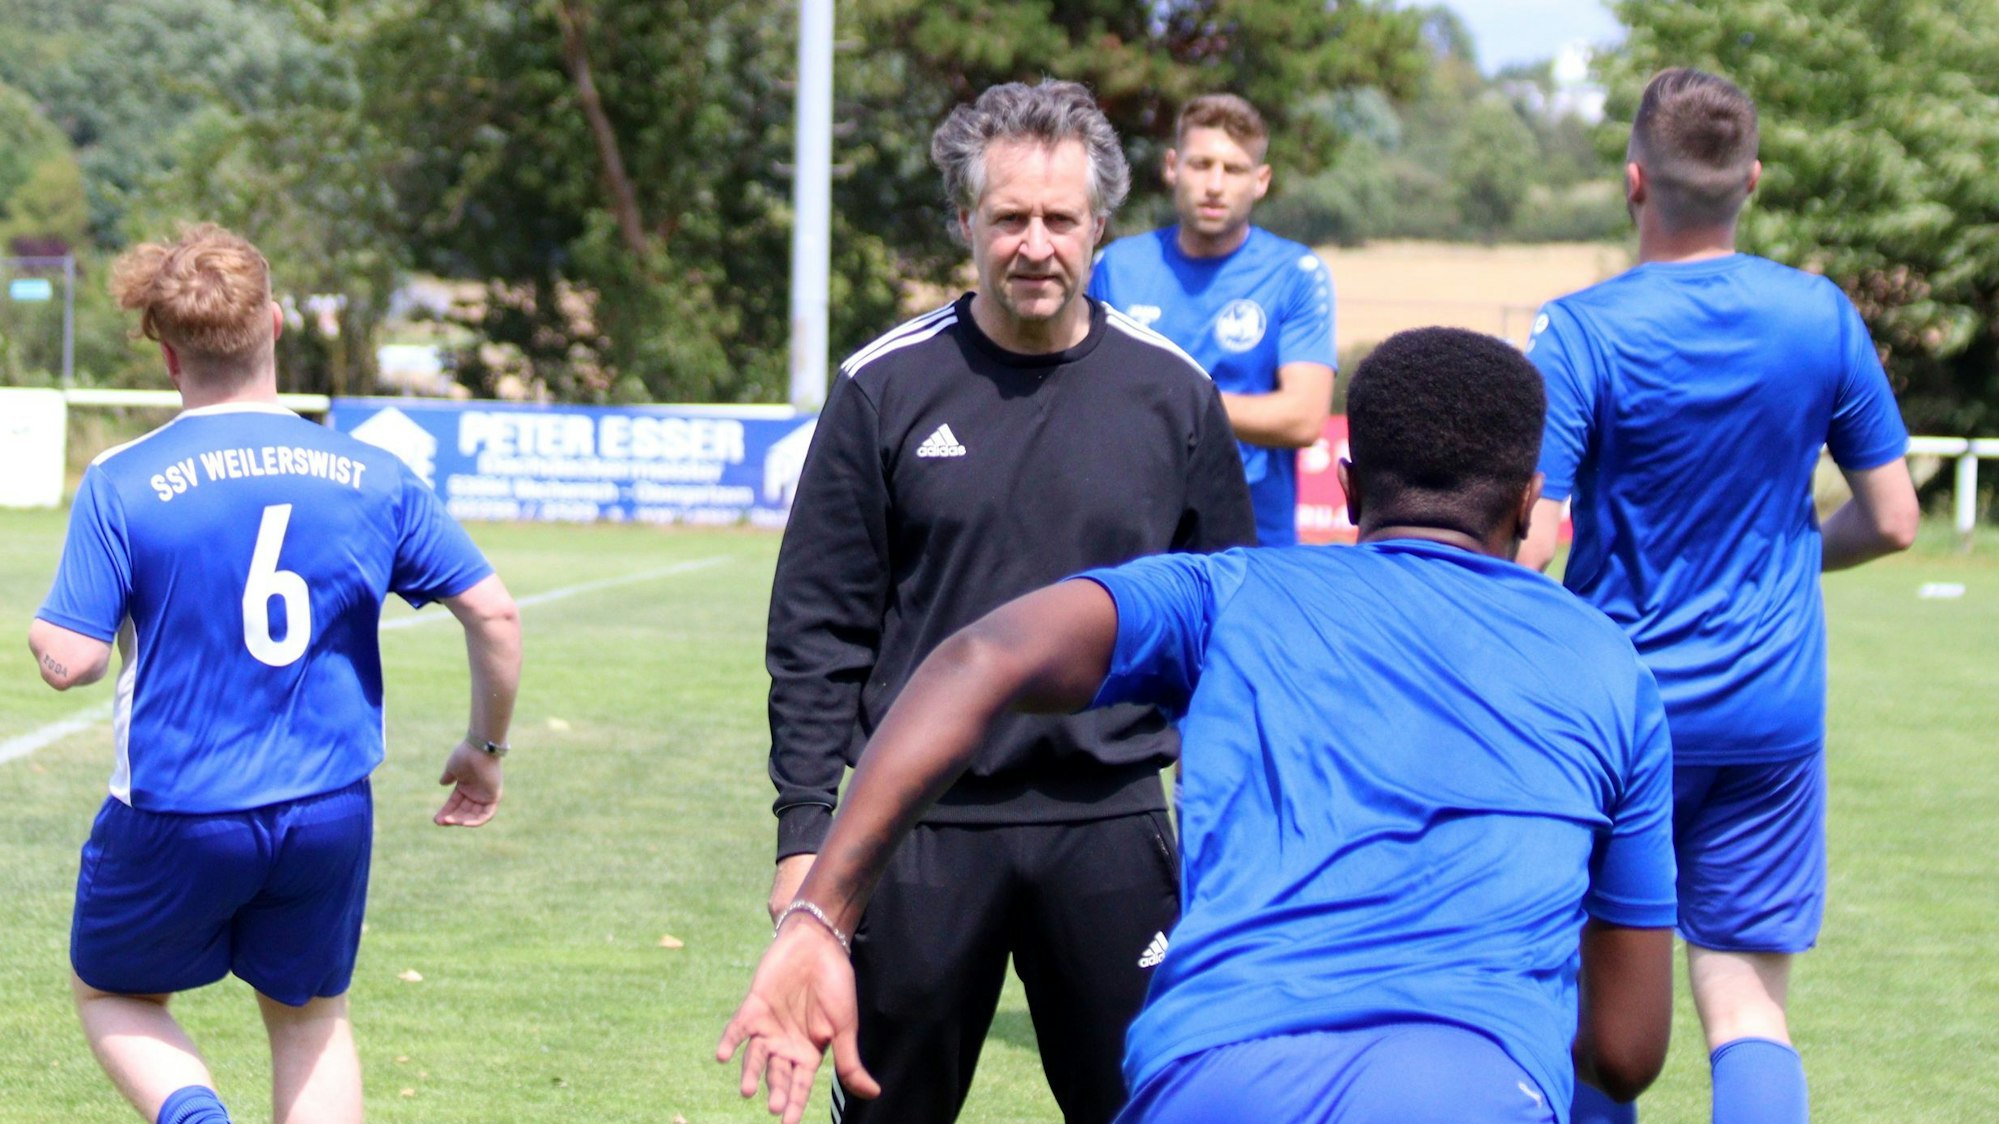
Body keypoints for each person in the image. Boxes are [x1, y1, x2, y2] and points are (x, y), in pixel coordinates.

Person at [722, 326, 1678, 1124]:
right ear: (1525, 502)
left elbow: (976, 659)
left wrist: (821, 912)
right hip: (1467, 1090)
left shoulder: (1231, 595)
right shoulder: (1608, 668)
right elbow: (1627, 1052)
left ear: (1346, 488)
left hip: (1216, 1081)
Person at [760, 80, 1254, 1123]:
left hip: (1113, 824)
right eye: (1009, 218)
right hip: (917, 828)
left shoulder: (1174, 395)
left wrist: (1235, 842)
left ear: (1101, 226)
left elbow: (1236, 641)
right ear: (965, 224)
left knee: (1153, 1109)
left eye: (1060, 219)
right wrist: (806, 837)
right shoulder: (882, 387)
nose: (1036, 245)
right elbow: (816, 631)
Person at [28, 223, 521, 1124]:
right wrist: (484, 746)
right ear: (278, 324)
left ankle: (194, 1116)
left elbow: (73, 662)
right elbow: (493, 612)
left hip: (177, 807)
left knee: (113, 995)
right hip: (328, 808)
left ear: (166, 353)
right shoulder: (373, 473)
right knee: (310, 1019)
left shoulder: (120, 480)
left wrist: (44, 632)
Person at [1518, 69, 1920, 1124]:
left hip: (1617, 713)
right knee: (1743, 1000)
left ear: (1633, 180)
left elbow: (1530, 544)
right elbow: (1894, 518)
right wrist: (1793, 554)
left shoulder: (1579, 331)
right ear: (1751, 180)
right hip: (1767, 714)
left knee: (1598, 1008)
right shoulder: (1819, 315)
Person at [1088, 93, 1336, 546]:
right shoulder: (1116, 267)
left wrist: (1172, 400)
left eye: (1234, 169)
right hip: (1136, 537)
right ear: (1171, 166)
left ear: (1260, 181)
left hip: (1255, 543)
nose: (1215, 185)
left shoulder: (1295, 273)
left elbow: (1302, 418)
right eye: (1201, 165)